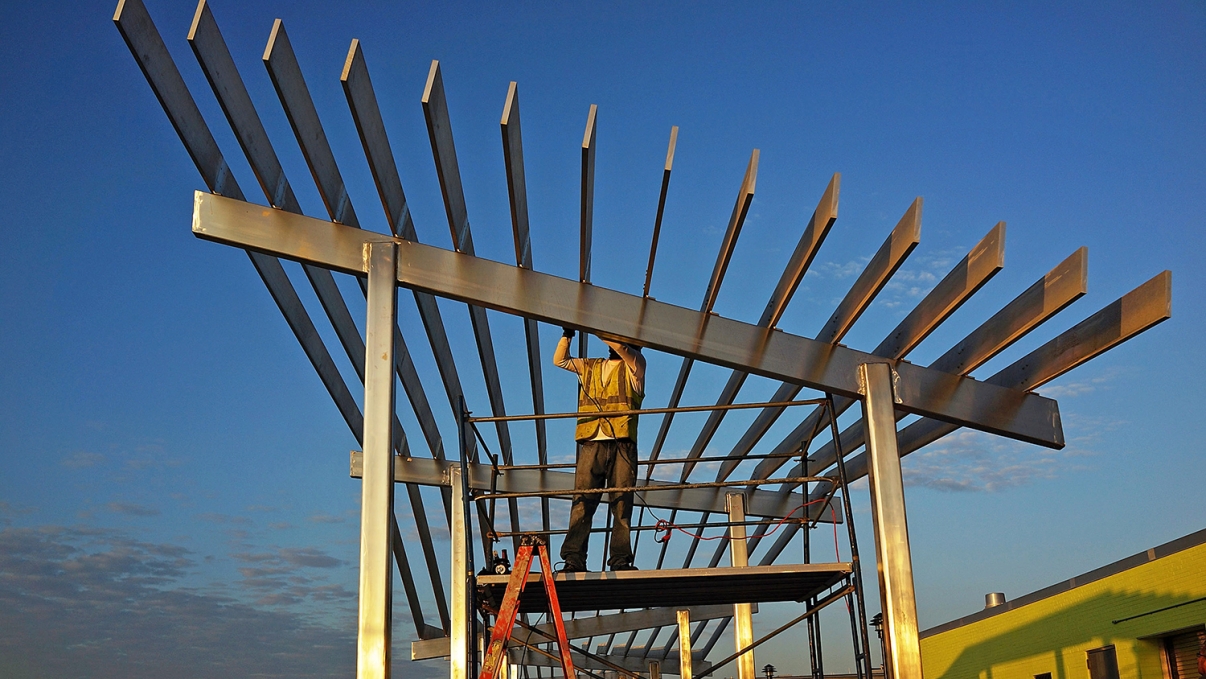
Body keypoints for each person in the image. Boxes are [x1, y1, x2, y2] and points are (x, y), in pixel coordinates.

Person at [553, 327, 646, 572]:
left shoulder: (635, 365)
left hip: (622, 443)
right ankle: (574, 558)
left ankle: (620, 560)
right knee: (582, 501)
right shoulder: (591, 366)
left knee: (622, 503)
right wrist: (567, 334)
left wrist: (593, 325)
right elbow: (560, 360)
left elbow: (621, 349)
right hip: (592, 440)